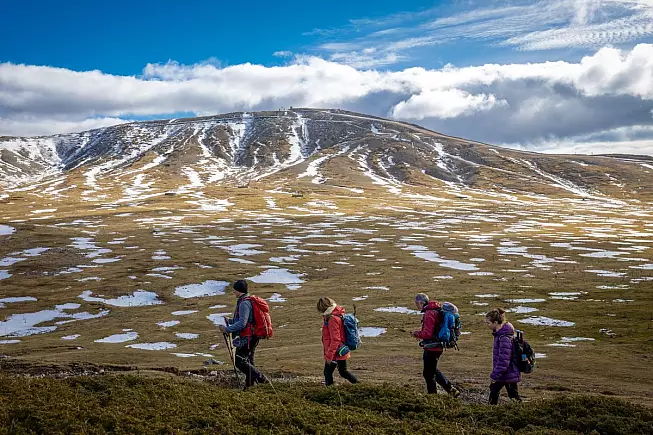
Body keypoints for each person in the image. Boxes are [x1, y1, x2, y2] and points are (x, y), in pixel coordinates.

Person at [218, 280, 268, 388]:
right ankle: (249, 387)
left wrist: (227, 329)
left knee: (239, 361)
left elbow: (242, 323)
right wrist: (230, 321)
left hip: (247, 337)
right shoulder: (247, 300)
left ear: (238, 290)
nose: (233, 292)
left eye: (234, 290)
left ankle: (262, 379)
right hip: (253, 336)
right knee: (249, 361)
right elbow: (243, 320)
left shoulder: (244, 303)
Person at [411, 293, 460, 397]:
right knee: (432, 370)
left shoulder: (429, 313)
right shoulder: (436, 310)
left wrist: (416, 334)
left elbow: (428, 333)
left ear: (421, 302)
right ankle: (451, 390)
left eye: (417, 303)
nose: (416, 306)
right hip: (438, 346)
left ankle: (433, 397)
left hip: (432, 347)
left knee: (428, 374)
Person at [317, 296, 359, 386]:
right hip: (341, 348)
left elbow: (335, 339)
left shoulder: (332, 319)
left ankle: (330, 389)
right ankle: (359, 386)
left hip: (336, 351)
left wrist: (329, 356)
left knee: (327, 372)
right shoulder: (337, 313)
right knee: (343, 371)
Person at [484, 308, 521, 405]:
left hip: (506, 372)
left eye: (488, 323)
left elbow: (504, 360)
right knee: (511, 394)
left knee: (498, 391)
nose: (486, 325)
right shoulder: (501, 334)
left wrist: (495, 375)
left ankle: (490, 411)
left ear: (495, 322)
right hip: (506, 372)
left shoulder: (504, 337)